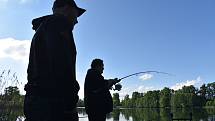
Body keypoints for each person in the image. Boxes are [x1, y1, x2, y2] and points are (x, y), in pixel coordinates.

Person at [24, 0, 86, 121]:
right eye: (76, 13)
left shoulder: (43, 28)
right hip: (53, 105)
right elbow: (62, 65)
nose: (77, 20)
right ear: (67, 8)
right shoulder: (60, 23)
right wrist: (70, 102)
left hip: (36, 102)